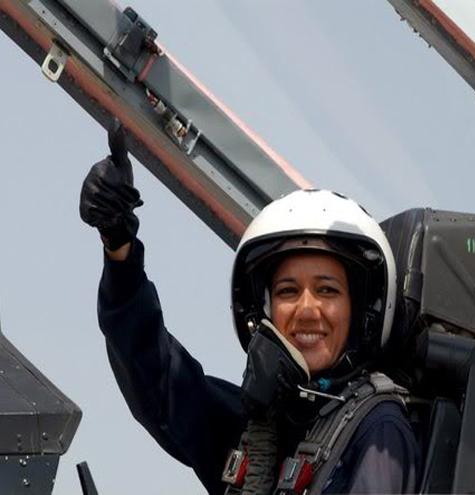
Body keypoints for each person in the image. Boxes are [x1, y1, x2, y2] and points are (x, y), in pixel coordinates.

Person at [79, 122, 420, 494]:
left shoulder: (377, 430)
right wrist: (119, 247)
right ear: (264, 312)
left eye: (327, 290)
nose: (307, 309)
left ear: (360, 312)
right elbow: (160, 382)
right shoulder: (264, 426)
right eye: (288, 291)